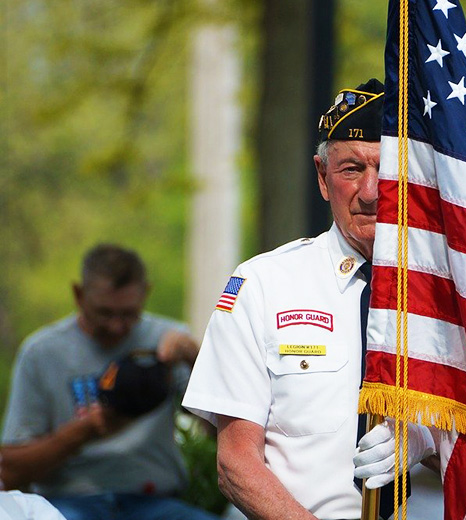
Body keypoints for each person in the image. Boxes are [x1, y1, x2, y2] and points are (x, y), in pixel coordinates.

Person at [182, 79, 437, 520]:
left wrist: (427, 441)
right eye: (351, 169)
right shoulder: (263, 285)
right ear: (323, 177)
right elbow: (235, 462)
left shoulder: (453, 297)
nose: (373, 192)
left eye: (389, 170)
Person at [0, 244, 219, 520]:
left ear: (145, 294)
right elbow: (8, 472)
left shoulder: (168, 339)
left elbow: (222, 435)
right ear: (79, 295)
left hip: (154, 503)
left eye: (129, 314)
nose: (117, 326)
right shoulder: (41, 353)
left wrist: (195, 360)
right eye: (104, 313)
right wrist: (88, 429)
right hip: (68, 504)